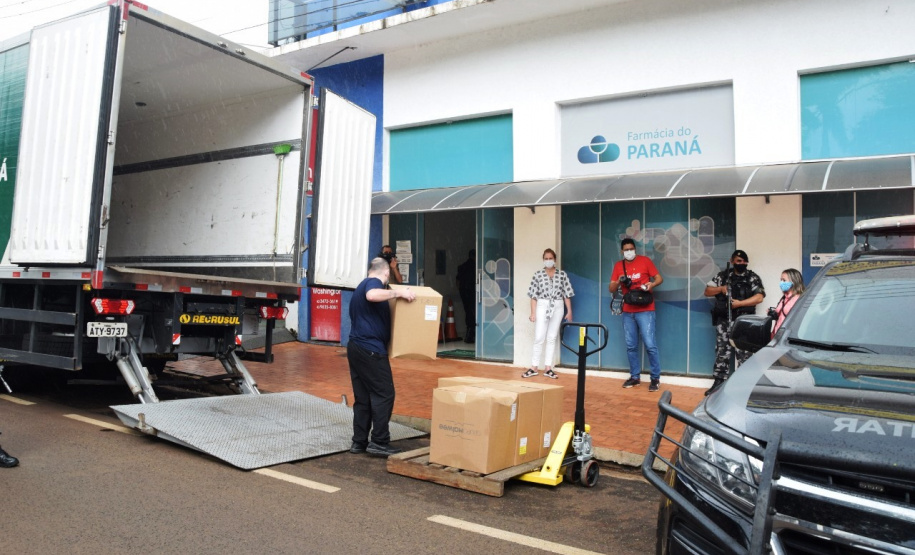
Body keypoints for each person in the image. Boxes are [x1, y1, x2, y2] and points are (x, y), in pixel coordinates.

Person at [347, 257, 416, 457]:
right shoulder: (372, 284)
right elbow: (372, 295)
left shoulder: (360, 285)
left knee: (363, 398)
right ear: (386, 273)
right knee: (384, 393)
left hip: (356, 348)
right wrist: (399, 292)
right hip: (370, 350)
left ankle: (359, 442)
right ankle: (379, 441)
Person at [704, 249, 766, 396]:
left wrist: (740, 304)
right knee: (721, 352)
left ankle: (743, 386)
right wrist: (721, 289)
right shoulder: (723, 276)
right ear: (732, 261)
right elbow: (707, 291)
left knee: (744, 354)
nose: (742, 264)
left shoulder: (752, 277)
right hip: (724, 321)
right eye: (739, 261)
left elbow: (759, 297)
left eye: (744, 261)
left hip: (743, 323)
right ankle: (719, 382)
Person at [609, 238, 664, 392]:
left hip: (646, 309)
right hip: (628, 311)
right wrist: (618, 281)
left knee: (650, 344)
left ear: (635, 249)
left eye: (631, 249)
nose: (629, 252)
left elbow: (659, 278)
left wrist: (651, 284)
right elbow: (611, 288)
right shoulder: (619, 266)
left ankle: (655, 378)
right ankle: (635, 377)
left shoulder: (645, 261)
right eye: (626, 250)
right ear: (622, 251)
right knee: (631, 346)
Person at [523, 248, 574, 380]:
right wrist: (533, 313)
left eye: (550, 258)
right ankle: (534, 367)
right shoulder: (538, 275)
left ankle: (548, 368)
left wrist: (569, 311)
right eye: (546, 258)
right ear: (543, 259)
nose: (548, 260)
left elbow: (566, 294)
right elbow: (533, 296)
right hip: (543, 304)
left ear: (555, 260)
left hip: (557, 305)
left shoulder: (562, 275)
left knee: (552, 337)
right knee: (539, 337)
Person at [771, 268, 805, 338]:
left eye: (784, 280)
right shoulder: (784, 297)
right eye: (781, 280)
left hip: (787, 338)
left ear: (794, 282)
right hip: (777, 336)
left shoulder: (799, 299)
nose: (781, 283)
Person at [455, 249, 476, 343]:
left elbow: (457, 281)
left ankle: (469, 334)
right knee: (473, 312)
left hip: (464, 292)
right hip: (473, 292)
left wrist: (461, 291)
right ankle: (471, 334)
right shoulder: (476, 266)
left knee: (468, 311)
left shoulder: (462, 267)